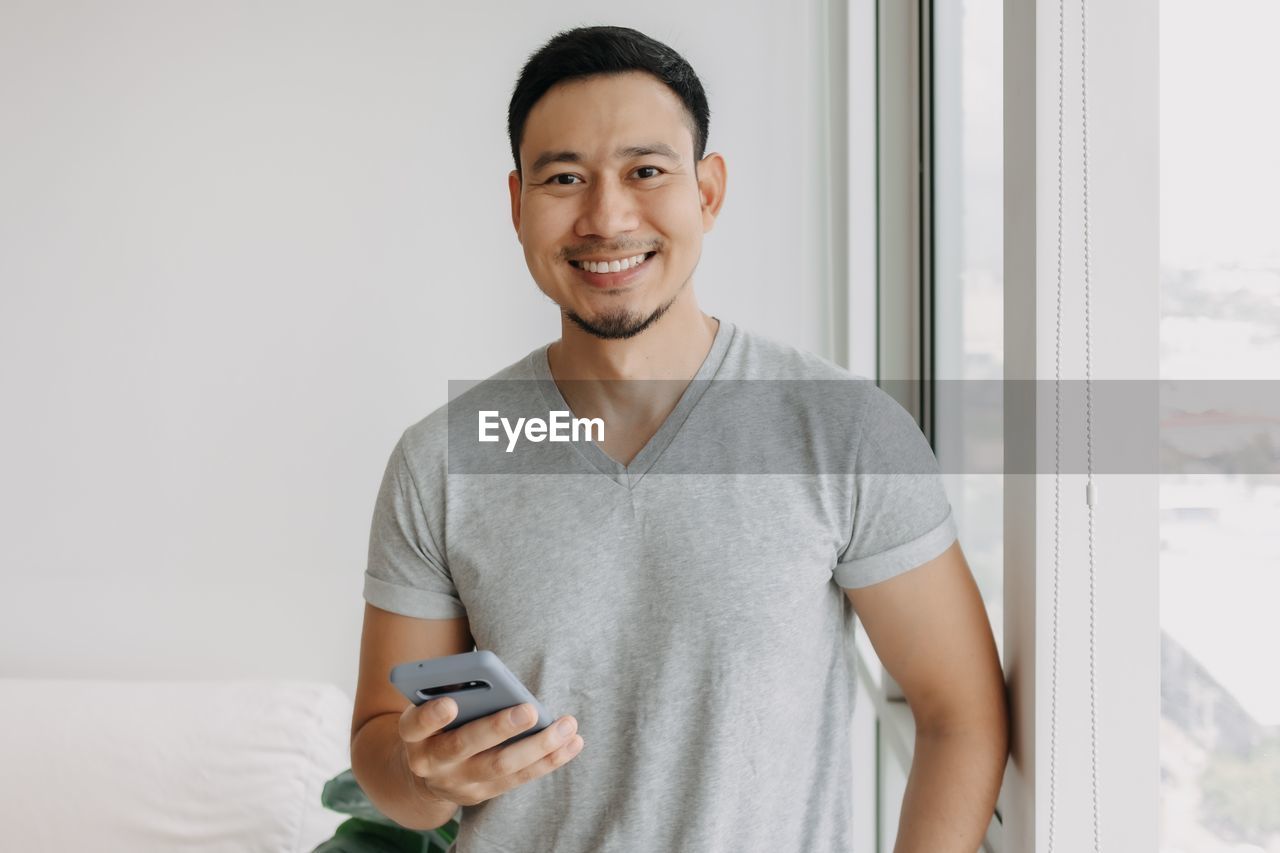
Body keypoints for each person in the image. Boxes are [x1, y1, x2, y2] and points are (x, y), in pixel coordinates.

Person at [349, 24, 1008, 853]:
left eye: (645, 171)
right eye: (564, 178)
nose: (606, 215)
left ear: (708, 191)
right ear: (518, 205)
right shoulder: (441, 458)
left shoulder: (841, 430)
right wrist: (425, 777)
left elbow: (961, 714)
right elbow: (382, 743)